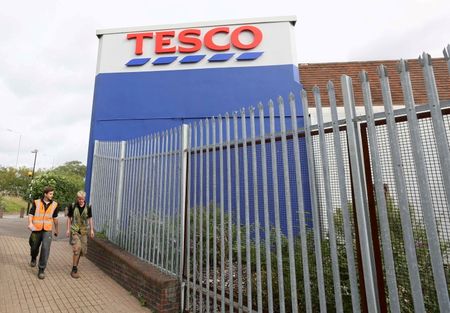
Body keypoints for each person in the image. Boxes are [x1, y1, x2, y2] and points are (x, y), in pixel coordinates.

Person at [27, 186, 59, 279]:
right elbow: (31, 214)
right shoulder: (36, 202)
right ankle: (33, 257)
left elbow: (55, 218)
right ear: (45, 194)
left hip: (47, 230)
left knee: (45, 248)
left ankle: (41, 269)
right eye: (50, 194)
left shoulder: (55, 204)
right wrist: (30, 223)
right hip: (36, 229)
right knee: (33, 246)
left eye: (52, 194)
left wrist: (56, 229)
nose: (52, 195)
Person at [66, 191, 94, 278]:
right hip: (75, 230)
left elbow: (90, 218)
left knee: (83, 251)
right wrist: (68, 229)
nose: (81, 200)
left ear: (84, 198)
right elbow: (69, 218)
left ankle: (76, 265)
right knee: (77, 249)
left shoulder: (88, 207)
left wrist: (92, 230)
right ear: (77, 198)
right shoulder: (73, 206)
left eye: (82, 199)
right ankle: (74, 269)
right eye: (79, 199)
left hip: (84, 231)